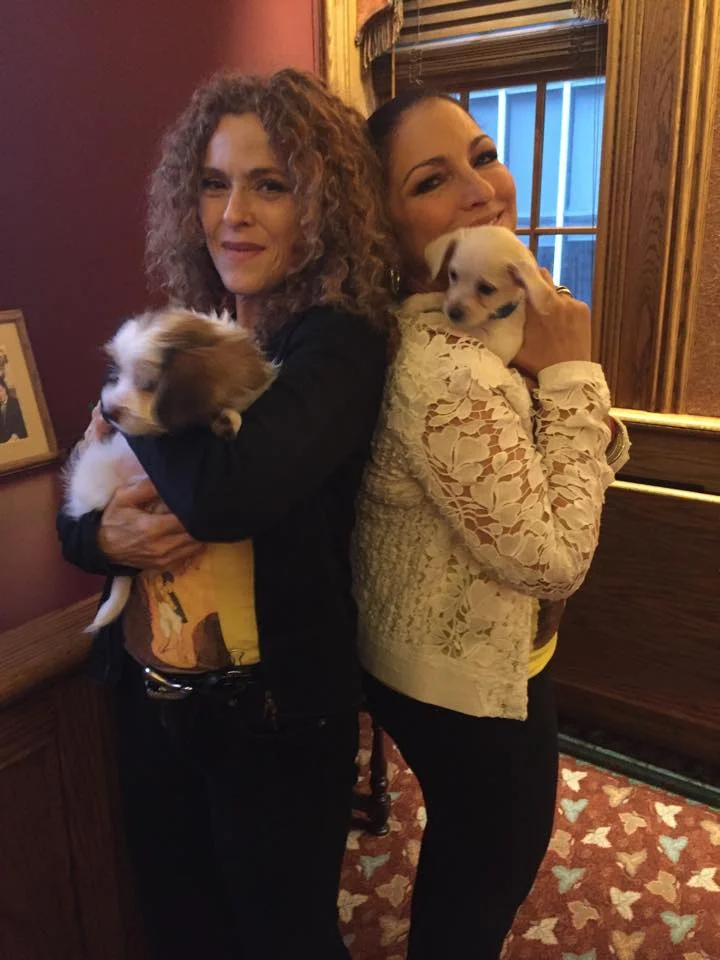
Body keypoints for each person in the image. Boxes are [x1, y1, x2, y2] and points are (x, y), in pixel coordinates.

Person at [57, 69, 394, 960]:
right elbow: (84, 500)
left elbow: (222, 495)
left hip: (272, 720)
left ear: (321, 205)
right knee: (181, 925)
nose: (233, 214)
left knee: (282, 937)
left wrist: (142, 390)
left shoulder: (336, 341)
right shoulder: (193, 330)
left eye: (269, 185)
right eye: (214, 183)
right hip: (151, 693)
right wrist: (99, 535)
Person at [353, 90, 630, 959]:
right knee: (489, 863)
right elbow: (554, 562)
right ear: (384, 228)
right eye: (432, 180)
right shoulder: (448, 369)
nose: (482, 189)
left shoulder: (486, 327)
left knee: (476, 849)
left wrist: (558, 377)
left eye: (483, 154)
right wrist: (575, 373)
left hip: (462, 649)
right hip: (461, 677)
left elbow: (564, 464)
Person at [0, 377, 27, 443]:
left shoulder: (17, 403)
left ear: (5, 389)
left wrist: (16, 435)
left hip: (19, 441)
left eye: (0, 391)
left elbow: (24, 425)